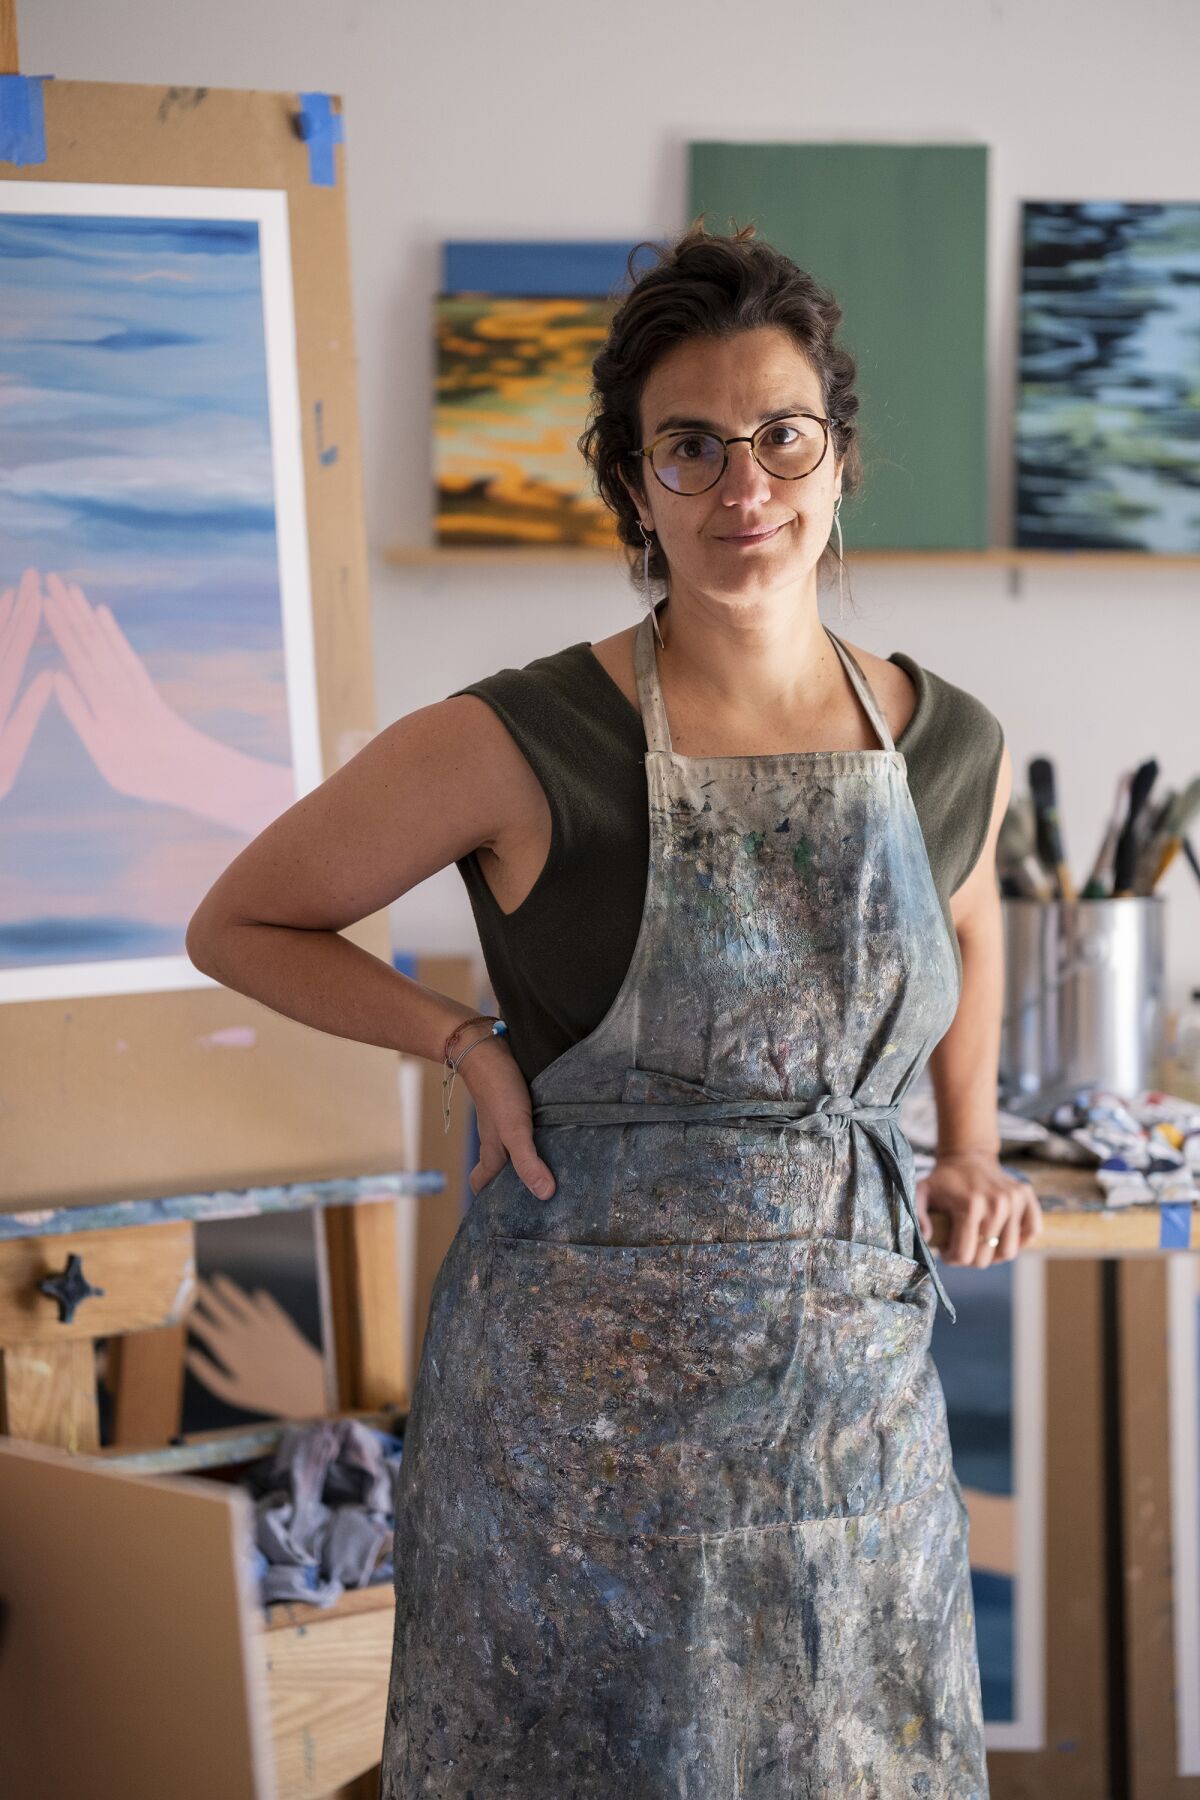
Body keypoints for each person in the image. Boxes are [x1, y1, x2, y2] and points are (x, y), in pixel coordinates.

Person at [187, 221, 1043, 1797]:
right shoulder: (527, 739)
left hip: (853, 1408)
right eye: (691, 450)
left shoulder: (947, 744)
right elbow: (241, 919)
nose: (744, 491)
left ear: (838, 457)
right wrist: (458, 1042)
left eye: (781, 438)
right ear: (632, 485)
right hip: (574, 1443)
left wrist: (968, 1146)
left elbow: (974, 913)